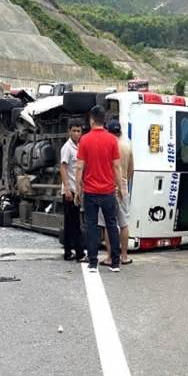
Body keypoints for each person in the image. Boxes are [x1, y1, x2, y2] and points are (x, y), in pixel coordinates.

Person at [75, 105, 125, 273]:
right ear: (104, 120)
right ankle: (115, 263)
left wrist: (78, 189)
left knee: (92, 226)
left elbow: (79, 167)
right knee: (112, 224)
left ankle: (93, 262)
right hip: (108, 191)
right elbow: (116, 167)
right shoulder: (112, 140)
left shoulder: (85, 140)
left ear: (91, 120)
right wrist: (120, 188)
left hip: (90, 191)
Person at [99, 119, 133, 266]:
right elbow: (131, 170)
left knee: (108, 223)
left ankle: (110, 257)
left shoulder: (107, 146)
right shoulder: (127, 146)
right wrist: (124, 183)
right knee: (124, 224)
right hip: (124, 188)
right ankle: (124, 256)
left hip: (110, 188)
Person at [60, 119, 85, 262]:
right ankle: (80, 253)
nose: (76, 133)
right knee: (75, 223)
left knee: (70, 222)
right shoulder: (67, 147)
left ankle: (68, 252)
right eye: (74, 131)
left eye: (79, 131)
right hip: (70, 191)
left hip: (77, 189)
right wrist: (67, 188)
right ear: (69, 131)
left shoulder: (80, 146)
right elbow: (63, 167)